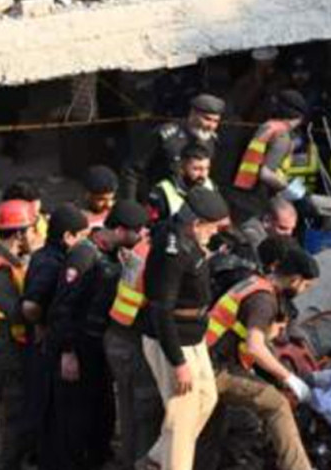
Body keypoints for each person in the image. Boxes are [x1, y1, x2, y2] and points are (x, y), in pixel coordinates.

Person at [200, 247, 319, 470]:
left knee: (212, 430)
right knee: (277, 405)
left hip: (205, 360)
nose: (304, 291)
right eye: (306, 286)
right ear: (295, 279)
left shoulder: (254, 283)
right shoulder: (263, 301)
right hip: (214, 368)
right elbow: (255, 347)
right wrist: (288, 377)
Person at [141, 186, 230, 470]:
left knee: (206, 398)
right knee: (183, 417)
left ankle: (157, 459)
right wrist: (178, 362)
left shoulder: (185, 237)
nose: (213, 234)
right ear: (196, 223)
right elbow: (161, 310)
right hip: (174, 338)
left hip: (192, 334)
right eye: (211, 228)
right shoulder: (173, 252)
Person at [45, 202, 120, 470]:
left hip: (93, 345)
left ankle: (97, 455)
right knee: (75, 413)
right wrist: (68, 351)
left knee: (98, 407)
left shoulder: (106, 254)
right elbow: (63, 307)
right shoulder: (82, 257)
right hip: (76, 346)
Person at [21, 206, 92, 470]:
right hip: (49, 347)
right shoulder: (52, 264)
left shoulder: (43, 255)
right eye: (82, 236)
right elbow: (31, 305)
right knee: (53, 409)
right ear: (67, 237)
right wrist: (41, 324)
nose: (86, 242)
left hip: (47, 343)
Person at [0, 200, 42, 470]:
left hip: (9, 343)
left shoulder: (8, 261)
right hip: (1, 348)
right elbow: (15, 312)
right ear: (19, 234)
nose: (35, 235)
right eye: (31, 230)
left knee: (19, 407)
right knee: (13, 411)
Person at [102, 200, 163, 467]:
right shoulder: (144, 253)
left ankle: (133, 460)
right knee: (141, 408)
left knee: (134, 409)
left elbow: (124, 311)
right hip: (130, 342)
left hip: (126, 339)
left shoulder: (137, 257)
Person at [121, 93, 225, 200]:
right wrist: (130, 203)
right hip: (159, 200)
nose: (211, 126)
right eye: (207, 119)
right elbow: (132, 170)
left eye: (216, 121)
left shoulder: (212, 141)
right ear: (193, 114)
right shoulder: (167, 136)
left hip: (192, 202)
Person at [228, 90, 310, 223]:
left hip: (239, 190)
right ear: (300, 118)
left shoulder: (267, 126)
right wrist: (297, 192)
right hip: (254, 199)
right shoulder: (282, 136)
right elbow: (266, 173)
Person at [148, 143, 214, 223]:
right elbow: (154, 226)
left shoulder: (209, 185)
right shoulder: (162, 192)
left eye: (207, 168)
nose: (203, 174)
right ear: (181, 167)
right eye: (197, 169)